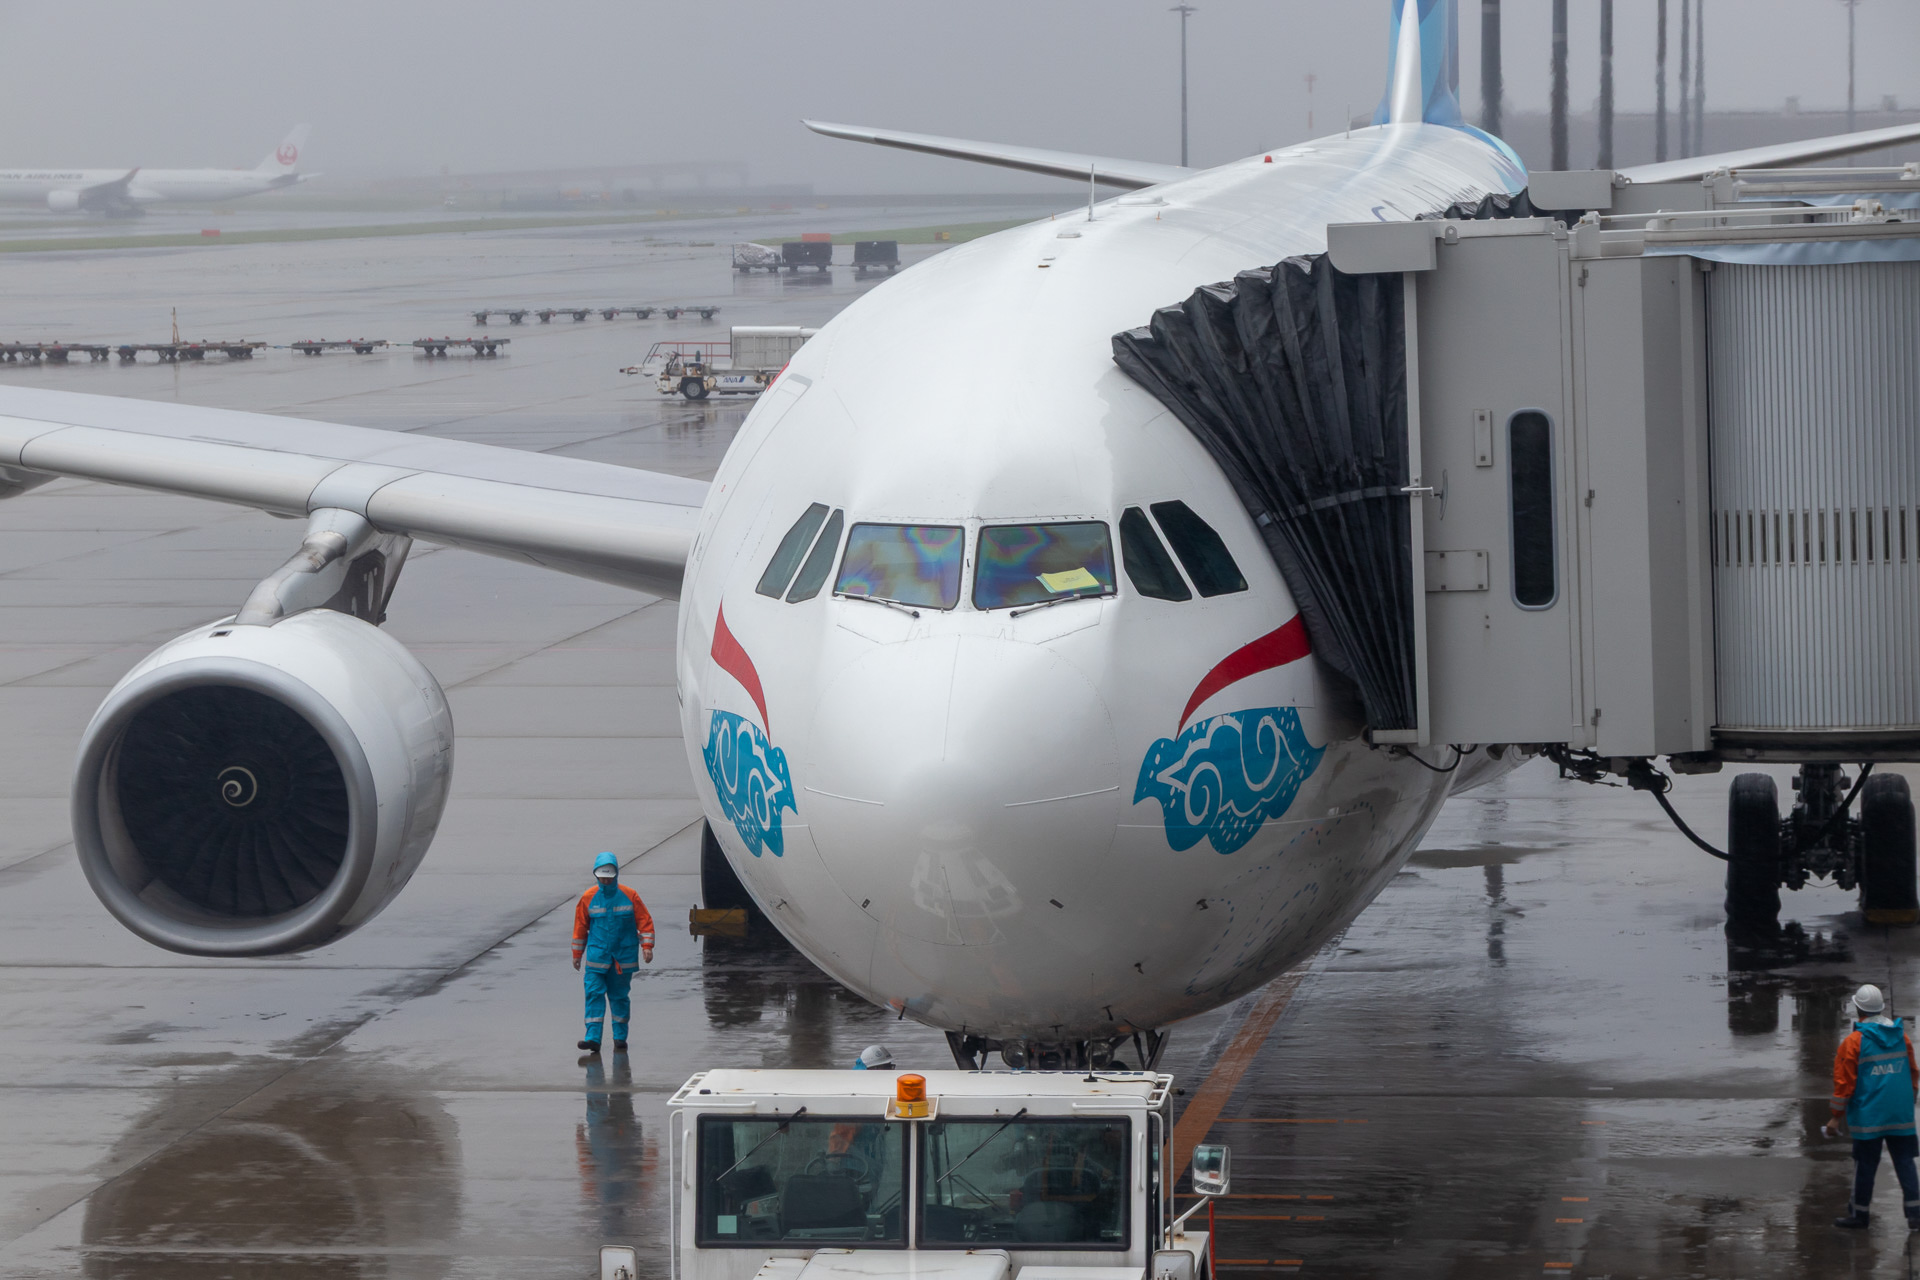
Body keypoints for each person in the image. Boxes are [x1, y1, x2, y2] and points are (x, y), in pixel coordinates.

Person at [1825, 983, 1920, 1230]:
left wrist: (1836, 1117)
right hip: (1901, 1114)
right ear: (1881, 1008)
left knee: (1865, 1165)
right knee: (1905, 1162)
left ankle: (1860, 1215)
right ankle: (1916, 1215)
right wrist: (1909, 1101)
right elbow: (1913, 1073)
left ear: (1858, 1009)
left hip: (1870, 1117)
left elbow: (1844, 1082)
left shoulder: (1854, 1042)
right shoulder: (1901, 1036)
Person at [572, 852, 655, 1053]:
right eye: (602, 877)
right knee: (593, 994)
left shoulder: (630, 895)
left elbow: (644, 922)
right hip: (597, 957)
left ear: (616, 874)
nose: (606, 880)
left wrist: (647, 947)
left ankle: (620, 1037)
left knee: (619, 997)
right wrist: (577, 955)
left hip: (621, 959)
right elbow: (580, 927)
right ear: (596, 876)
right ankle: (592, 1038)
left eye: (609, 876)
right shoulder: (588, 898)